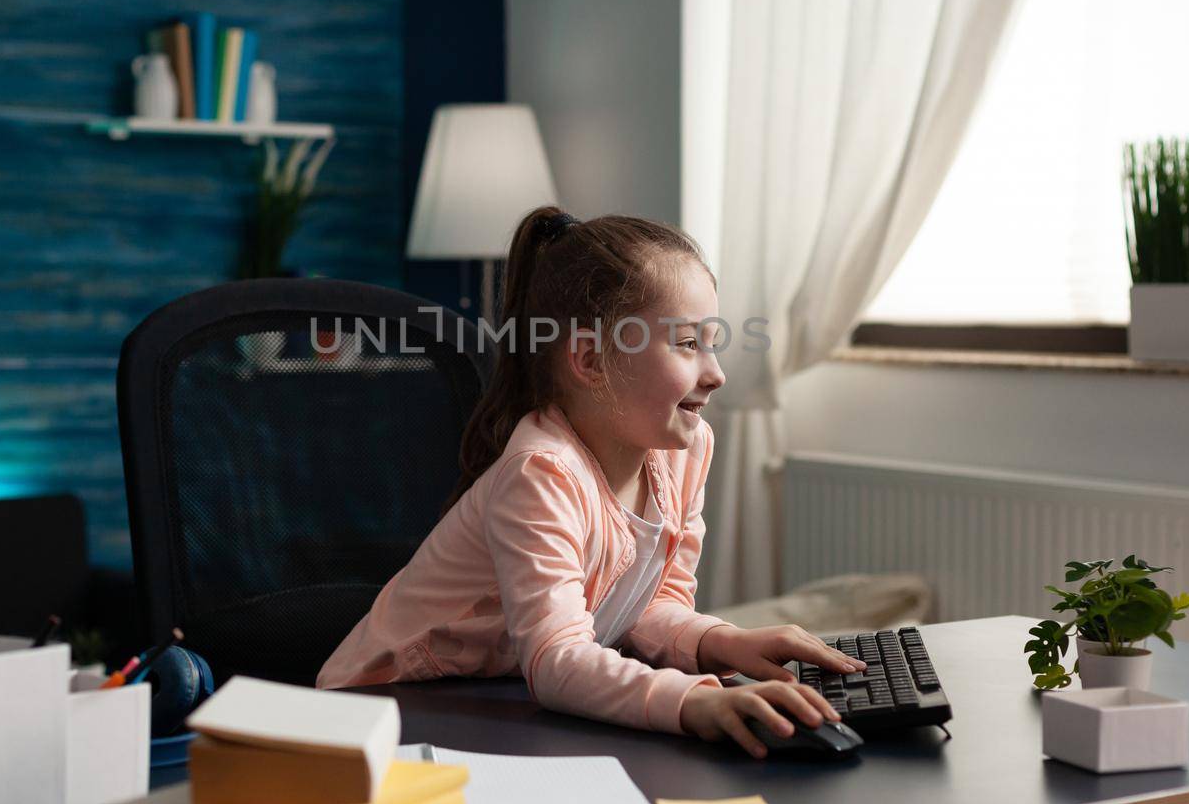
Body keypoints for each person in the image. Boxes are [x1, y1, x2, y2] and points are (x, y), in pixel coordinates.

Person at [317, 206, 866, 758]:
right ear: (589, 359)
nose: (716, 374)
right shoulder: (542, 472)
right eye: (686, 344)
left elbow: (649, 606)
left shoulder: (683, 450)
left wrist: (722, 641)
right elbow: (558, 658)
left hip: (493, 704)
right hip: (384, 720)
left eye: (713, 342)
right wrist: (694, 702)